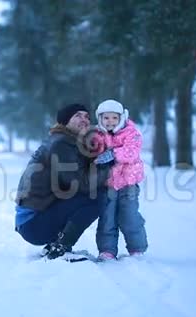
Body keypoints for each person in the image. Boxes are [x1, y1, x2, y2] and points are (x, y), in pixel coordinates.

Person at [14, 103, 109, 260]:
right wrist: (109, 168)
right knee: (96, 197)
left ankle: (56, 245)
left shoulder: (67, 142)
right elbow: (83, 184)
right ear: (65, 121)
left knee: (93, 194)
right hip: (34, 223)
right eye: (77, 116)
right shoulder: (61, 144)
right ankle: (60, 248)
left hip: (33, 221)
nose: (84, 119)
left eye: (86, 116)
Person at [91, 99, 148, 261]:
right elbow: (92, 152)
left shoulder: (131, 133)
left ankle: (137, 248)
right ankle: (107, 250)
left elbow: (131, 151)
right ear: (100, 119)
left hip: (128, 183)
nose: (110, 121)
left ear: (121, 118)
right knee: (107, 217)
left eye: (114, 118)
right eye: (106, 118)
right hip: (107, 183)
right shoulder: (97, 135)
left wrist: (112, 154)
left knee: (129, 216)